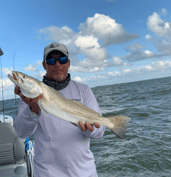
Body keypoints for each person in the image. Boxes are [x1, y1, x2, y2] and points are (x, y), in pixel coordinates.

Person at [13, 42, 105, 177]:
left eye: (62, 60)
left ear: (68, 63)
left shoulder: (84, 90)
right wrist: (32, 110)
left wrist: (90, 130)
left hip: (85, 172)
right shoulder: (28, 97)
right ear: (44, 65)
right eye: (51, 60)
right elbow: (21, 132)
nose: (57, 65)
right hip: (47, 173)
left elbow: (99, 132)